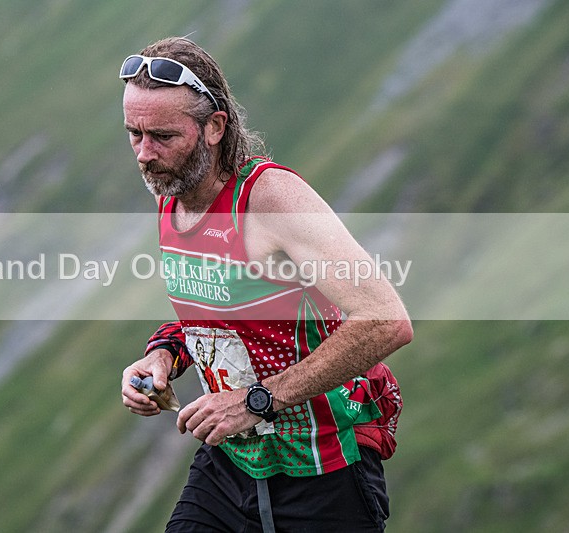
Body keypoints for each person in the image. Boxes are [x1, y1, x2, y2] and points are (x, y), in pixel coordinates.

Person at [119, 37, 413, 532]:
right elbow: (217, 310)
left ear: (214, 127)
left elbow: (386, 320)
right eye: (134, 134)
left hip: (325, 466)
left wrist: (254, 401)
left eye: (163, 136)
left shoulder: (271, 198)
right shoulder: (170, 192)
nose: (145, 155)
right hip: (232, 463)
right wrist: (162, 356)